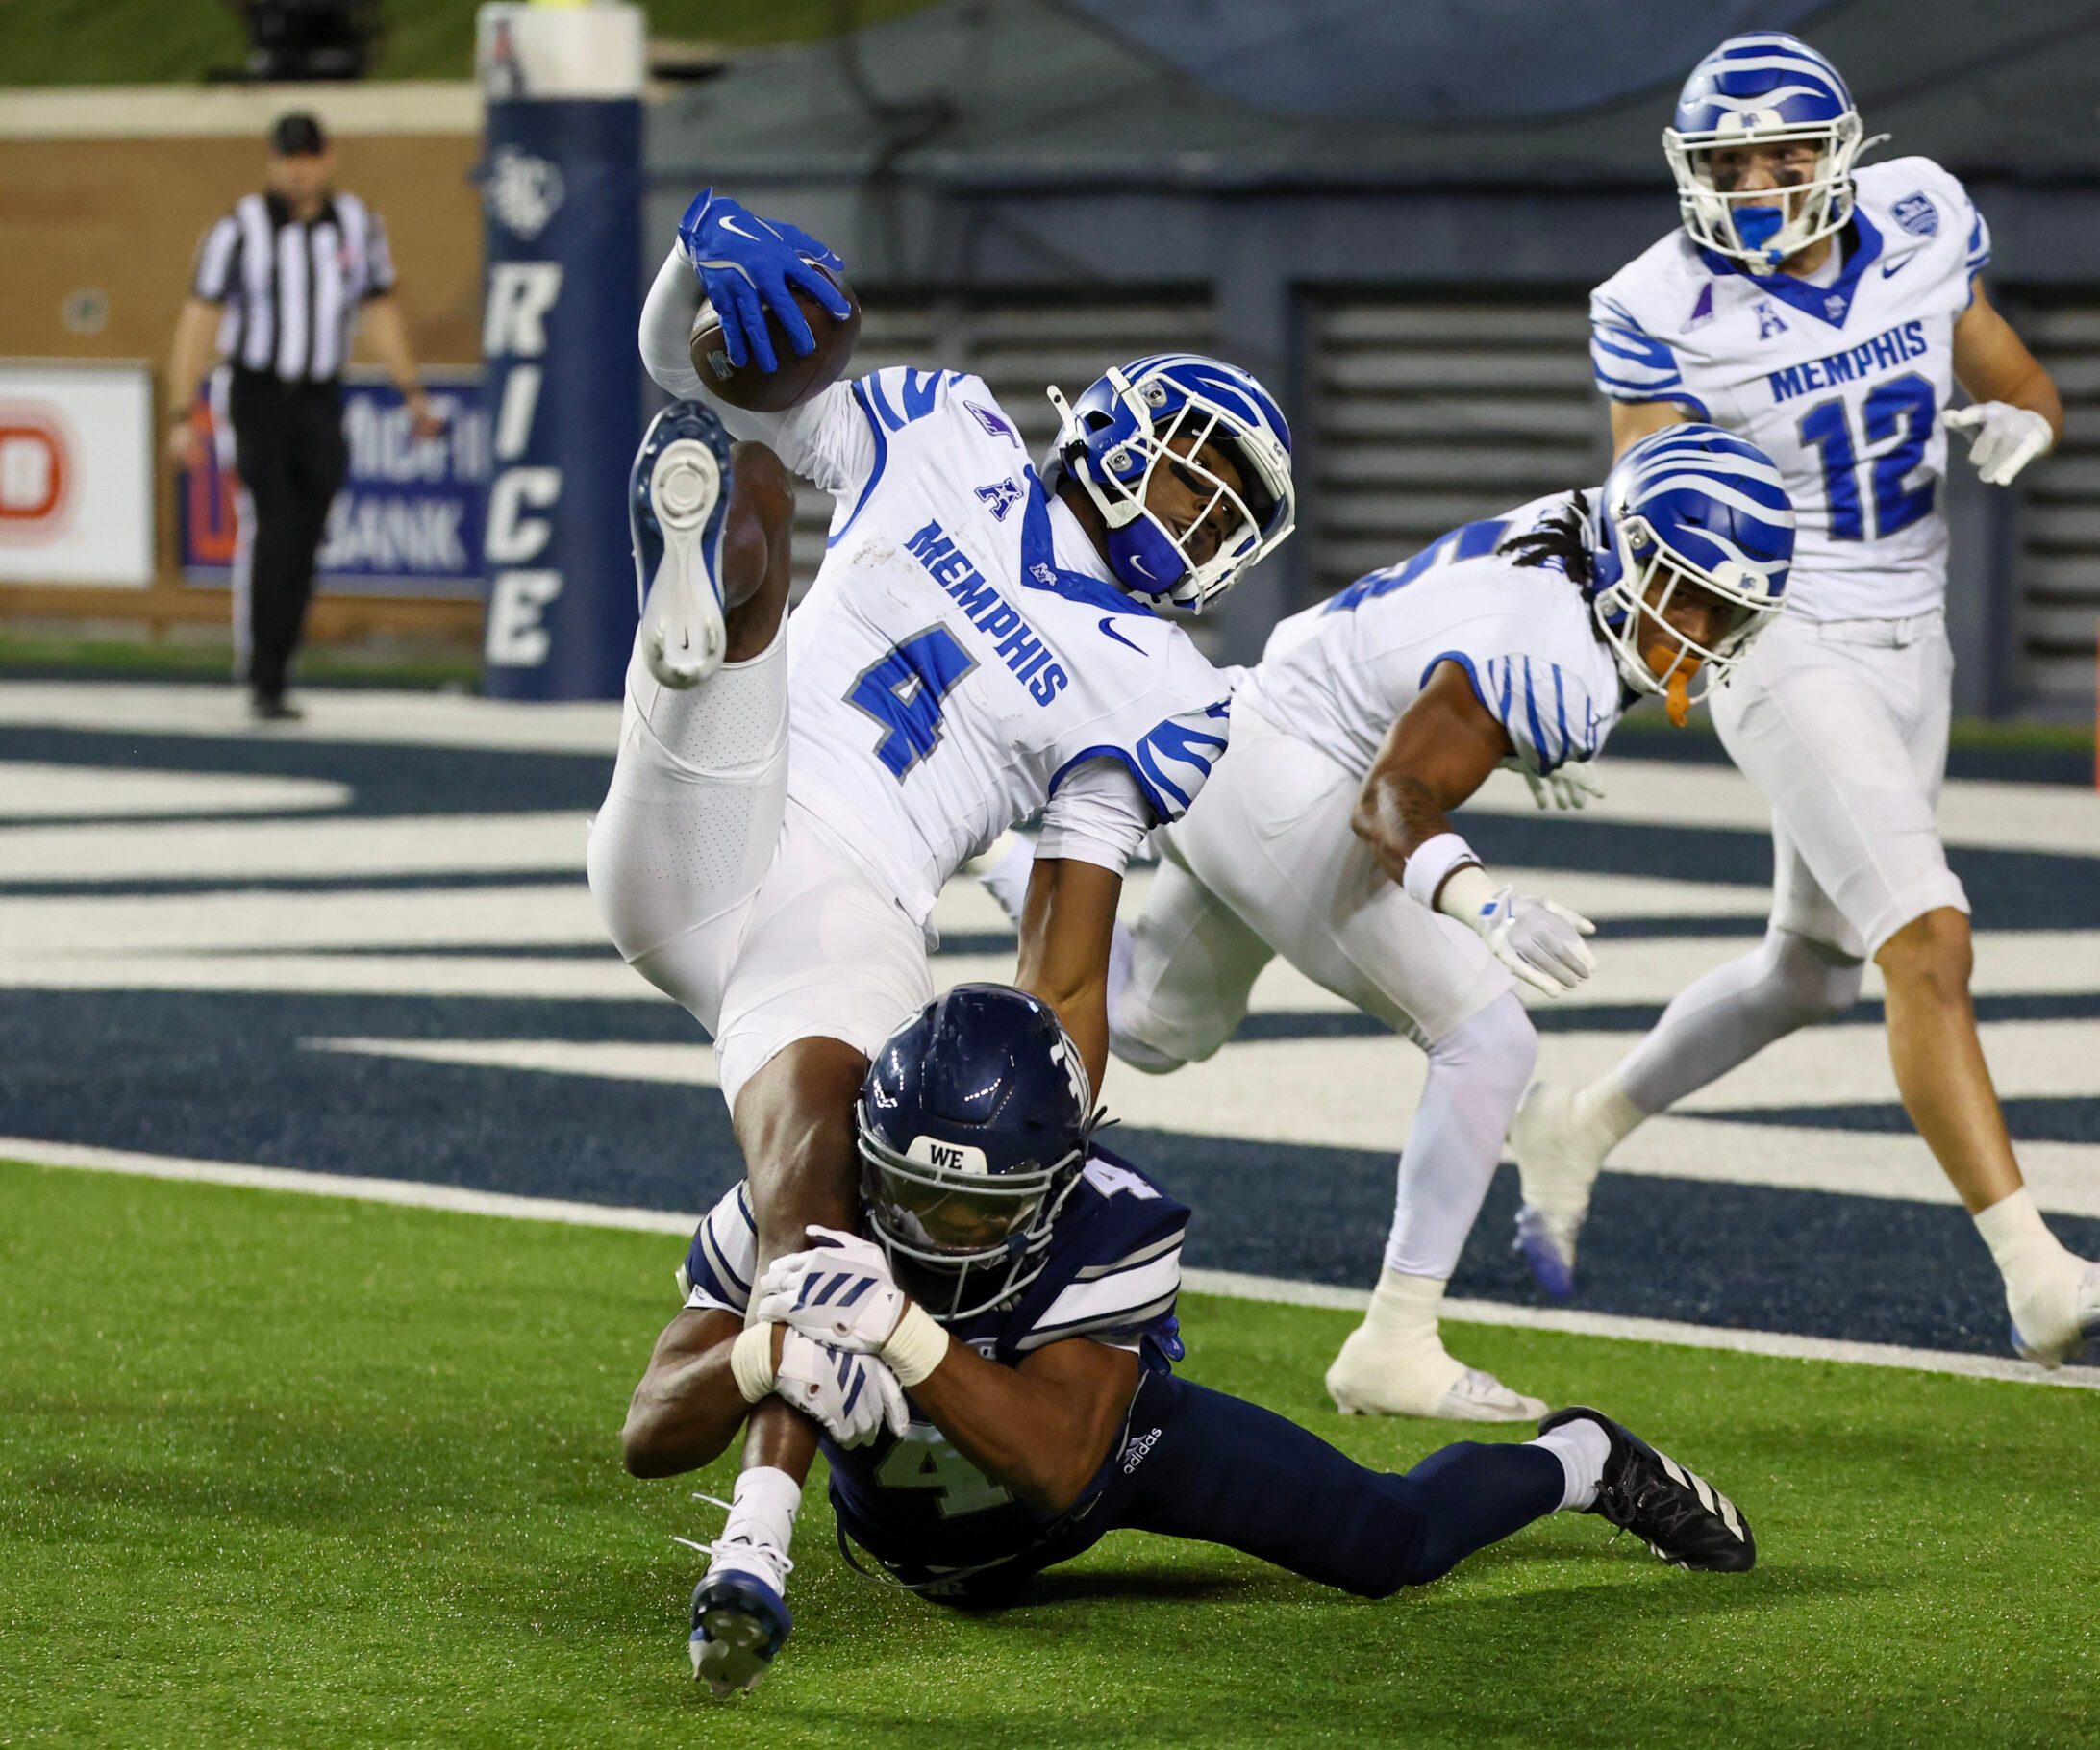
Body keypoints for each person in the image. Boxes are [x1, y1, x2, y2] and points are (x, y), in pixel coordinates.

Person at [588, 192, 1298, 1679]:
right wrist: (692, 283)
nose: (1197, 527)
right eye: (1189, 485)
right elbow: (691, 366)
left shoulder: (1160, 685)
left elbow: (1067, 957)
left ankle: (754, 1544)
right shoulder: (953, 435)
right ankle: (712, 599)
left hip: (849, 901)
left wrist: (1057, 1126)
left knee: (824, 1198)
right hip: (735, 813)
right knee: (758, 474)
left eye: (1223, 520)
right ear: (1113, 433)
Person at [1510, 33, 2100, 1364]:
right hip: (1779, 633)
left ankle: (1578, 1121)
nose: (1760, 183)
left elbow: (2018, 374)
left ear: (1840, 155)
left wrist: (2028, 424)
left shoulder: (1925, 210)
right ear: (1689, 173)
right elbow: (1651, 509)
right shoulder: (1653, 301)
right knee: (1928, 941)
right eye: (1729, 162)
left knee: (1804, 971)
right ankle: (2036, 1276)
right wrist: (1649, 655)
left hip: (1909, 637)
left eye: (1785, 156)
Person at [978, 424, 1795, 1420]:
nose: (1700, 631)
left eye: (1726, 611)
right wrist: (1482, 902)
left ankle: (1001, 855)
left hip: (1236, 729)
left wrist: (1503, 734)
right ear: (1629, 551)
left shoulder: (1577, 532)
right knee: (1488, 1037)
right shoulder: (1556, 657)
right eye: (1686, 595)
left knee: (1153, 1024)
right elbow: (1390, 802)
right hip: (1294, 775)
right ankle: (1395, 1342)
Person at [623, 984, 1758, 1696]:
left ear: (1059, 1181)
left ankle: (1581, 1459)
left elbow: (1060, 1463)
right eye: (910, 1194)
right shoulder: (804, 1197)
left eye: (981, 1209)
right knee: (792, 1329)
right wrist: (757, 1355)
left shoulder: (1114, 1215)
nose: (936, 1230)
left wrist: (899, 1332)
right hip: (928, 1540)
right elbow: (648, 1433)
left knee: (1388, 1544)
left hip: (1108, 1457)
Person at [165, 110, 442, 721]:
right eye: (288, 158)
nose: (298, 170)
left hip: (320, 395)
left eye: (308, 157)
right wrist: (182, 409)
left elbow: (377, 310)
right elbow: (200, 318)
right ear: (274, 161)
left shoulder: (356, 225)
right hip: (258, 392)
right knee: (278, 519)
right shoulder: (239, 228)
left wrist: (411, 391)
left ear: (328, 159)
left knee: (311, 519)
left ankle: (278, 660)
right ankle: (266, 671)